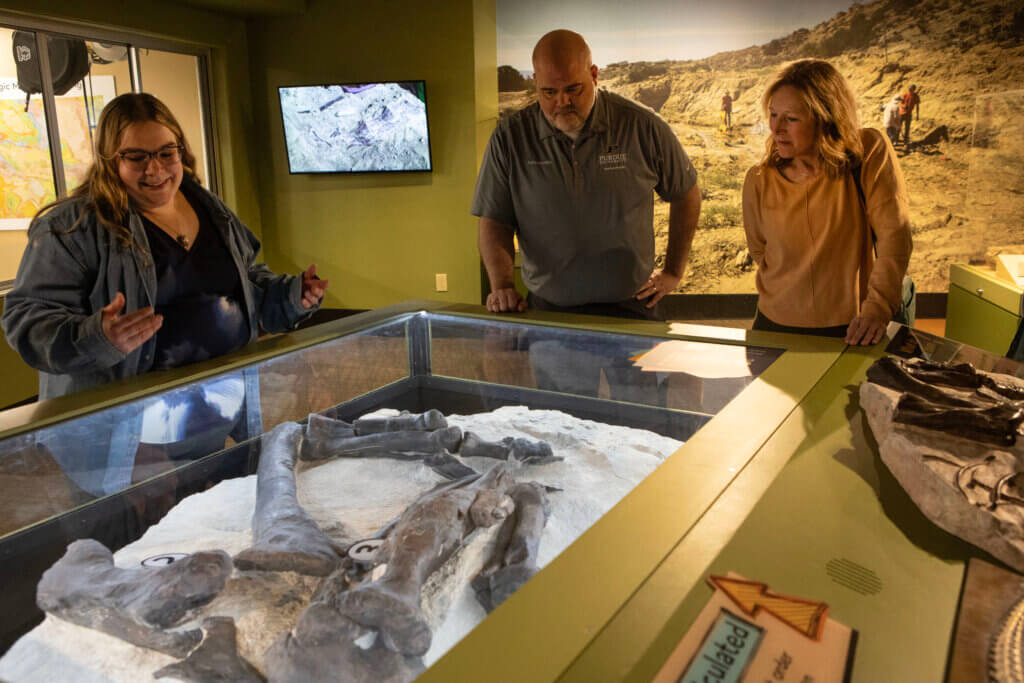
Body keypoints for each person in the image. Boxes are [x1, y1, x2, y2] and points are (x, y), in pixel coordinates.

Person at [2, 93, 329, 510]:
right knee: (138, 553)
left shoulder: (210, 208)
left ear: (181, 151)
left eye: (165, 153)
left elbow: (246, 283)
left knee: (220, 530)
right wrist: (95, 337)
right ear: (109, 160)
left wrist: (290, 295)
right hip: (126, 441)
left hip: (216, 418)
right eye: (135, 156)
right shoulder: (71, 228)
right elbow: (26, 319)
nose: (154, 169)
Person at [471, 29, 701, 322]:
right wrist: (501, 286)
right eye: (549, 92)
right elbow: (493, 219)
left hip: (633, 306)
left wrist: (673, 271)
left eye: (573, 89)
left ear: (594, 74)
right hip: (549, 310)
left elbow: (686, 193)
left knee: (638, 370)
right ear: (535, 84)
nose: (562, 102)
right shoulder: (510, 138)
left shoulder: (642, 126)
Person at [742, 59, 913, 346]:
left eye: (791, 119)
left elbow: (895, 238)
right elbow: (760, 251)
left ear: (826, 118)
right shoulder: (758, 179)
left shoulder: (868, 152)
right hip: (771, 325)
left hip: (853, 330)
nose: (777, 128)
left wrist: (877, 309)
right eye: (773, 115)